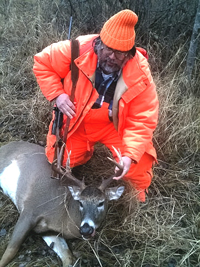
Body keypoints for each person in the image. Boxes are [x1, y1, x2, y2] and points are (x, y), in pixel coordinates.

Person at [33, 9, 159, 202]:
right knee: (57, 160)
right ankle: (84, 152)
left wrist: (129, 156)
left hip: (114, 126)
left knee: (136, 165)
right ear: (99, 42)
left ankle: (137, 202)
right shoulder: (76, 49)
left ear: (130, 53)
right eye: (108, 49)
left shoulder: (140, 72)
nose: (112, 57)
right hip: (76, 120)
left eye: (120, 53)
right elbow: (42, 63)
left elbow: (142, 119)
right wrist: (57, 95)